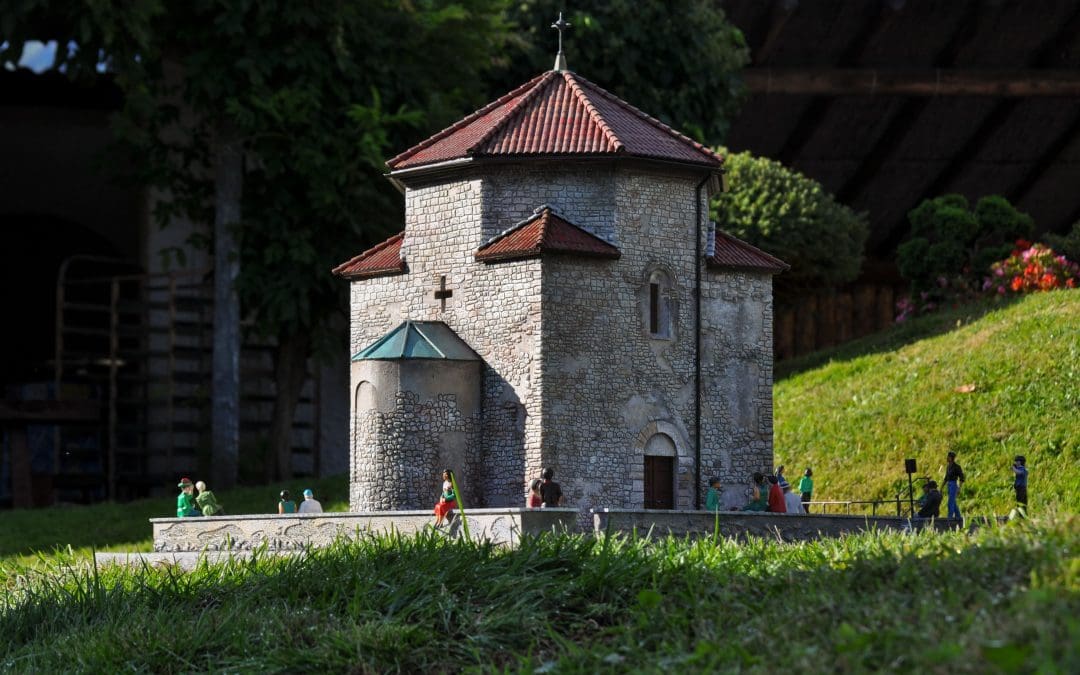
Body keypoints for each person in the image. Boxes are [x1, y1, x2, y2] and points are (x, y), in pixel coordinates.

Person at [943, 451, 965, 519]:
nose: (947, 458)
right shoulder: (948, 466)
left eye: (948, 457)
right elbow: (946, 478)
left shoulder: (957, 467)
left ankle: (950, 517)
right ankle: (958, 516)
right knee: (953, 502)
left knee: (950, 502)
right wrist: (941, 487)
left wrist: (959, 488)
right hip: (949, 485)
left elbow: (961, 477)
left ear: (951, 458)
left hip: (953, 484)